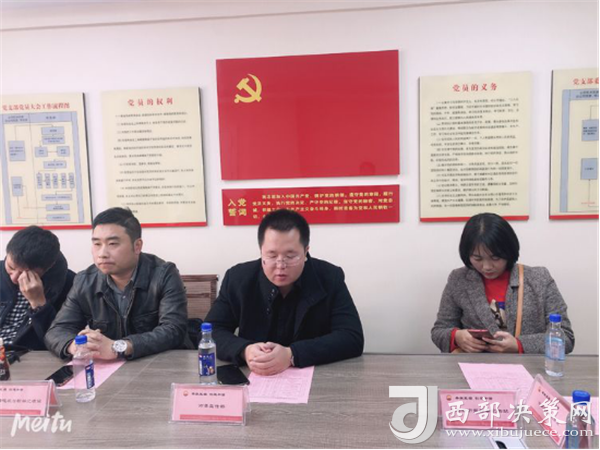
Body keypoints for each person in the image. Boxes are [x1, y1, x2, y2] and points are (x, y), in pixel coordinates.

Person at [205, 209, 364, 375]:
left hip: (318, 377)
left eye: (290, 256)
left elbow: (351, 337)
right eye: (272, 255)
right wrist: (245, 350)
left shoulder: (329, 277)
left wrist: (291, 354)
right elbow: (211, 331)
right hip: (255, 375)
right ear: (261, 251)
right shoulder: (238, 279)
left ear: (305, 252)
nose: (280, 265)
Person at [45, 207, 189, 360]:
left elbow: (173, 330)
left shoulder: (164, 275)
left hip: (160, 364)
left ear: (137, 246)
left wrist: (119, 347)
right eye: (97, 244)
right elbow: (57, 330)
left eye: (112, 244)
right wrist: (76, 346)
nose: (102, 254)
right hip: (108, 367)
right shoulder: (84, 281)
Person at [431, 212, 574, 354]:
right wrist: (456, 336)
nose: (487, 267)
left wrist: (519, 345)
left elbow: (566, 338)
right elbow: (439, 331)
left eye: (496, 258)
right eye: (477, 258)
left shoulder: (539, 279)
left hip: (528, 366)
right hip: (475, 365)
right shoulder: (459, 279)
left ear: (509, 252)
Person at [0, 226, 75, 350]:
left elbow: (60, 339)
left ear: (49, 266)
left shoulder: (70, 284)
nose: (14, 278)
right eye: (11, 267)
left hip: (30, 355)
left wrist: (39, 303)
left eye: (25, 273)